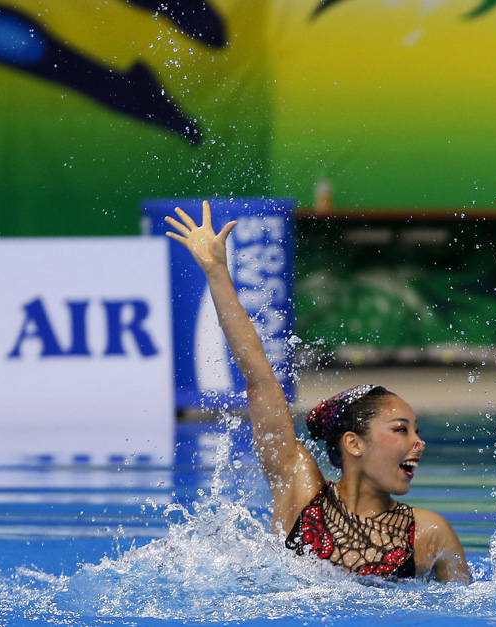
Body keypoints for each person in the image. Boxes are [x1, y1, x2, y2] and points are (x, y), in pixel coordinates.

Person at [165, 201, 469, 583]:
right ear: (353, 444)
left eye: (417, 431)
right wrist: (217, 273)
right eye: (401, 429)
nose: (418, 442)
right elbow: (259, 377)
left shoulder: (429, 535)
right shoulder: (300, 489)